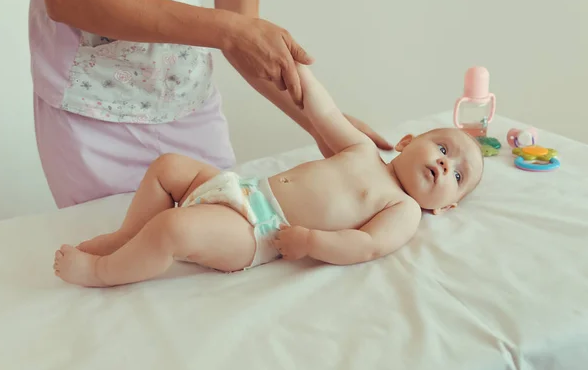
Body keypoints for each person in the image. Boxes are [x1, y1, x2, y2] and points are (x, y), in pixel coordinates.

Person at [53, 64, 484, 287]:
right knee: (168, 167)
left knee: (174, 228)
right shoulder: (363, 150)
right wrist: (301, 72)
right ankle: (127, 235)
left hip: (257, 231)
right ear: (407, 141)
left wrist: (313, 242)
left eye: (458, 176)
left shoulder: (403, 208)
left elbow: (368, 246)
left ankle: (102, 272)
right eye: (443, 149)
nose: (447, 164)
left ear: (446, 206)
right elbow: (324, 113)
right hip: (241, 189)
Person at [29, 0, 392, 209]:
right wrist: (229, 31)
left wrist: (322, 121)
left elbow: (243, 33)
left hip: (190, 103)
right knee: (117, 264)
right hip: (94, 117)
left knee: (217, 243)